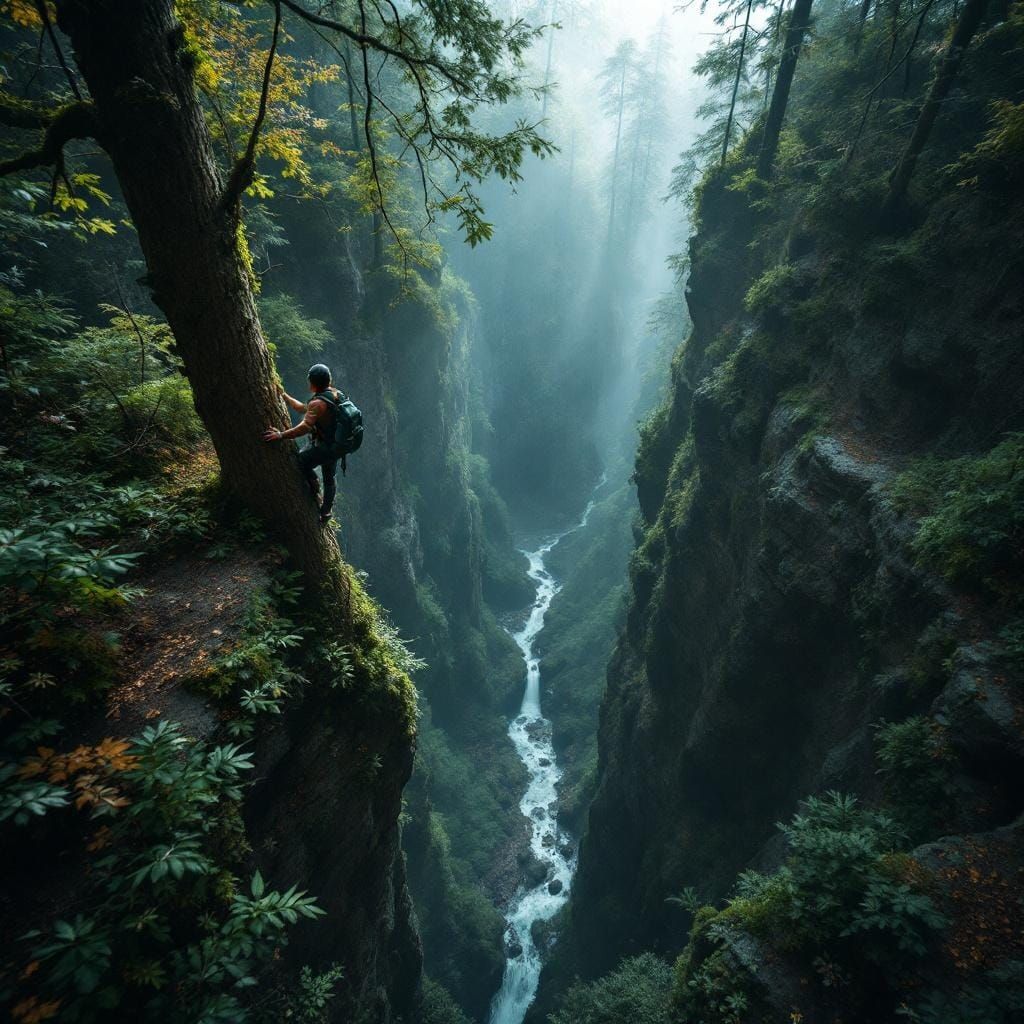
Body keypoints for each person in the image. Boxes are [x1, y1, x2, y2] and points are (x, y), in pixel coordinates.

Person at [263, 363, 344, 526]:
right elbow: (305, 409)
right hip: (337, 445)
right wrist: (284, 396)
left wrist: (281, 435)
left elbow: (305, 427)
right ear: (329, 380)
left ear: (312, 384)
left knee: (300, 461)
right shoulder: (335, 395)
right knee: (330, 478)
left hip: (325, 447)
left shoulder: (318, 403)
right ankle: (326, 512)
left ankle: (314, 484)